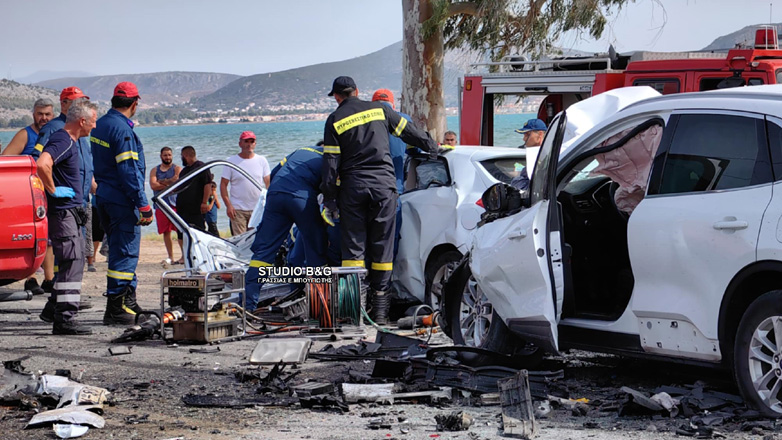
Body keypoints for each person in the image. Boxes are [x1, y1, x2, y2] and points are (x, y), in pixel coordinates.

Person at [322, 76, 440, 324]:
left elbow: (331, 165)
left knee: (353, 250)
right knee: (382, 248)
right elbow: (410, 133)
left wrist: (330, 200)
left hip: (353, 189)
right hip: (384, 187)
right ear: (357, 91)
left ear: (336, 96)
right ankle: (381, 315)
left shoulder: (334, 120)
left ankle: (351, 314)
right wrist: (433, 146)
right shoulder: (380, 110)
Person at [91, 82, 152, 326]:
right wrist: (143, 203)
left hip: (104, 197)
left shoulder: (101, 125)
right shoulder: (123, 130)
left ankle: (128, 301)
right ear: (135, 103)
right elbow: (129, 171)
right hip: (122, 200)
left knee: (118, 251)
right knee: (125, 252)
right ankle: (116, 308)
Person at [36, 100, 98, 335]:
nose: (94, 126)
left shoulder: (72, 142)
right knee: (73, 261)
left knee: (73, 260)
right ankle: (65, 319)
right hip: (64, 212)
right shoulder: (63, 140)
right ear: (82, 121)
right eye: (93, 121)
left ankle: (53, 308)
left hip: (71, 212)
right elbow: (42, 164)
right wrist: (53, 190)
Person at [245, 145, 327, 309]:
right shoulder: (329, 158)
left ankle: (247, 305)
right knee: (315, 248)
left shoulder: (302, 150)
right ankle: (318, 306)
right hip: (301, 198)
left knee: (263, 253)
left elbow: (274, 173)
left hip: (275, 195)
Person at [220, 131, 271, 236]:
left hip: (257, 209)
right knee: (240, 242)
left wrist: (270, 203)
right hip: (238, 210)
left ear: (255, 144)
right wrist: (228, 205)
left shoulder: (262, 160)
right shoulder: (231, 161)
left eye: (252, 141)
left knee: (256, 241)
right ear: (240, 144)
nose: (249, 144)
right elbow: (223, 185)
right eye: (246, 141)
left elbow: (268, 183)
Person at [149, 147, 182, 264]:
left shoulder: (177, 168)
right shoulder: (154, 170)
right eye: (165, 155)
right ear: (161, 156)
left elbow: (177, 182)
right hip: (161, 205)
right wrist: (169, 183)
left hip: (175, 204)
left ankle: (183, 256)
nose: (167, 157)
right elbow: (153, 185)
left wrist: (162, 181)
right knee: (166, 232)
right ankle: (171, 257)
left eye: (169, 155)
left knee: (180, 231)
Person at [177, 146, 212, 231]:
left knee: (198, 230)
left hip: (196, 208)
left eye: (182, 156)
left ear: (185, 155)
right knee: (183, 233)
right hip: (183, 209)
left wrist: (204, 202)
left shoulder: (201, 167)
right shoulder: (184, 171)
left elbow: (207, 184)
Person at [511, 118, 547, 190]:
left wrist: (516, 178)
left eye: (527, 135)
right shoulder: (546, 153)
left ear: (540, 135)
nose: (524, 139)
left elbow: (524, 186)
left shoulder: (543, 157)